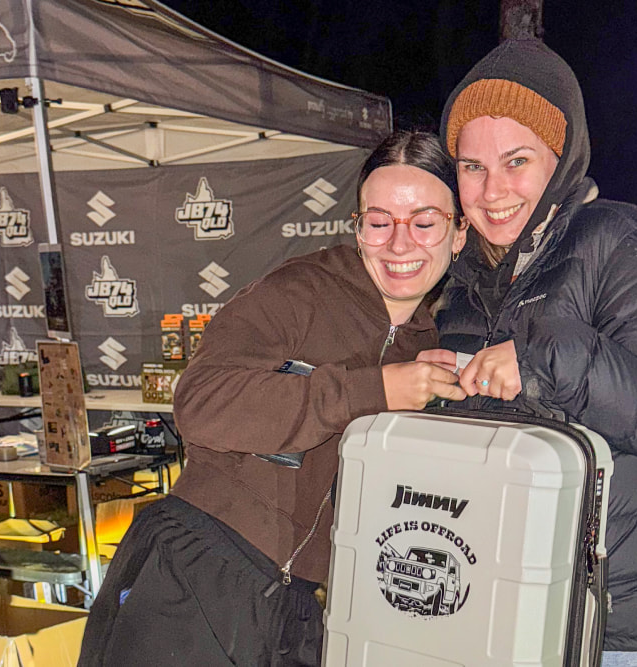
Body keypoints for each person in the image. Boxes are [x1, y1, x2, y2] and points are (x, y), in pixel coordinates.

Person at [77, 130, 468, 667]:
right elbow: (200, 402)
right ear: (358, 228)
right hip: (198, 573)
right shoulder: (299, 291)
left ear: (459, 233)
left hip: (299, 606)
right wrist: (375, 388)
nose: (400, 244)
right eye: (380, 222)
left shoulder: (426, 345)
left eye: (424, 223)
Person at [417, 39, 637, 663]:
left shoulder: (625, 240)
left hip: (611, 624)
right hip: (491, 606)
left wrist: (541, 359)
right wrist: (436, 395)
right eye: (472, 166)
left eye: (517, 160)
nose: (492, 189)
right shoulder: (462, 280)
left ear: (560, 159)